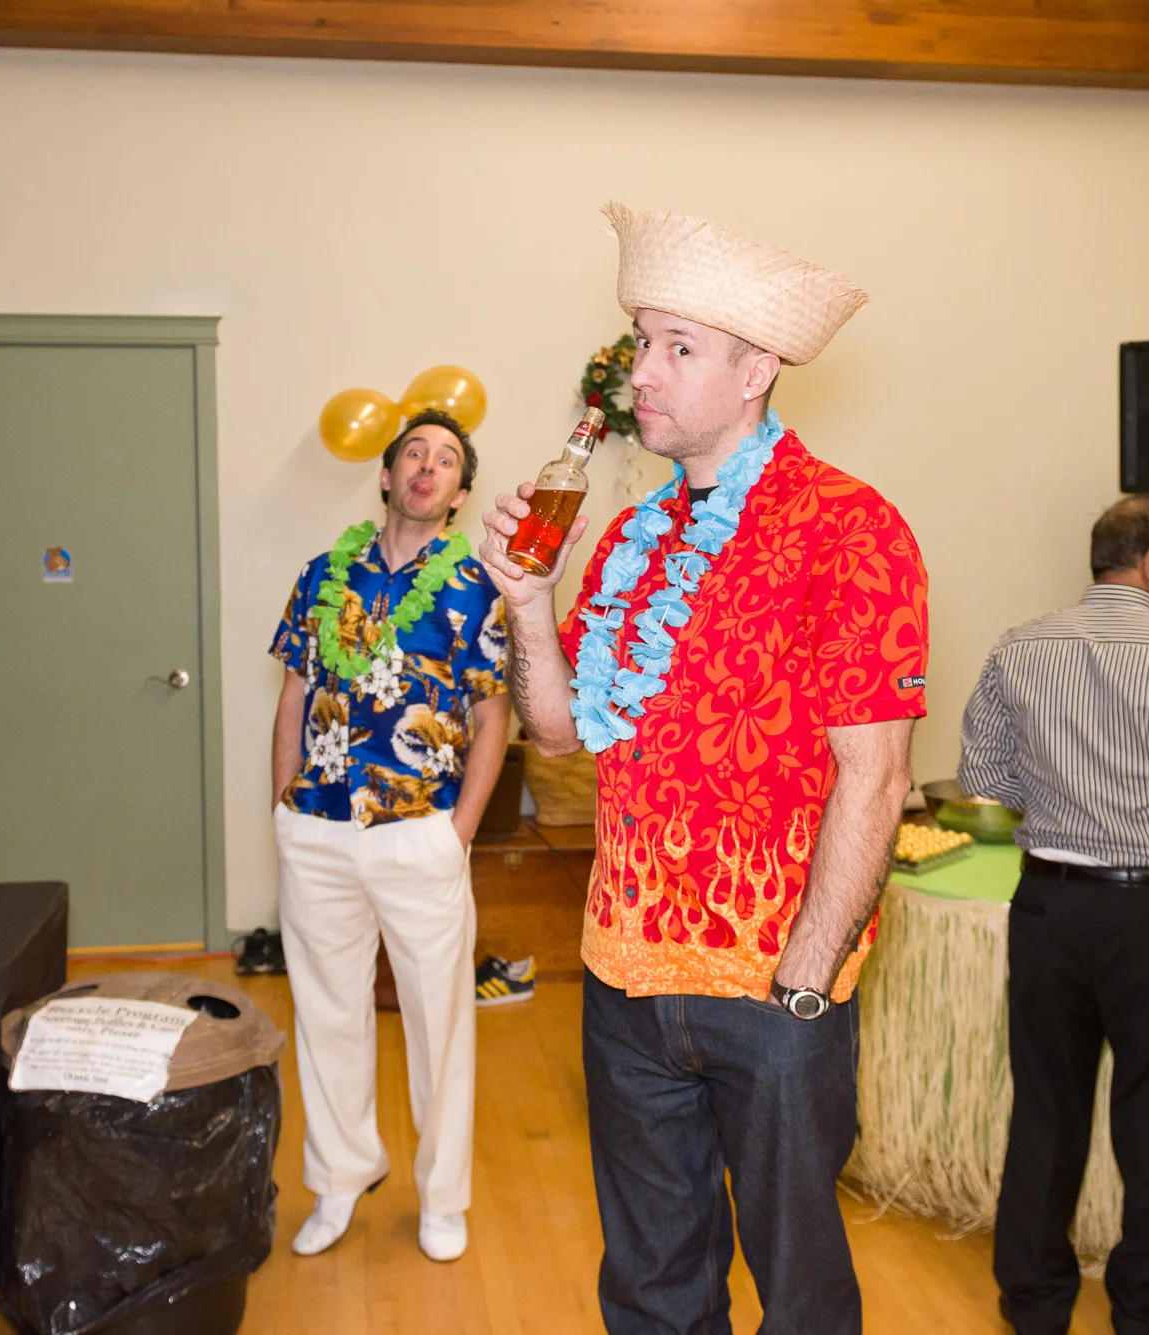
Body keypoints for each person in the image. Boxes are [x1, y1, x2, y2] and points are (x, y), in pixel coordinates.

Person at [475, 202, 929, 1334]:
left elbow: (874, 781)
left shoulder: (851, 529)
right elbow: (559, 732)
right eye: (642, 342)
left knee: (799, 1294)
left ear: (755, 372)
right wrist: (528, 604)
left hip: (772, 985)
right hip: (622, 976)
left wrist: (805, 986)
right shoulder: (636, 537)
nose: (643, 372)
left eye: (677, 347)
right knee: (650, 1287)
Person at [958, 493, 1149, 1335]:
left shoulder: (1020, 645)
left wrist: (1061, 801)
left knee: (1045, 1107)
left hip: (1050, 904)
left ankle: (1034, 1301)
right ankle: (1144, 1304)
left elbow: (983, 774)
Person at [268, 409, 512, 1261]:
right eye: (414, 452)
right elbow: (294, 694)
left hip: (420, 831)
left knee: (438, 1024)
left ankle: (442, 1197)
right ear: (386, 475)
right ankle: (340, 1176)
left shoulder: (473, 586)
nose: (426, 466)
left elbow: (493, 717)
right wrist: (283, 809)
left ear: (460, 492)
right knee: (325, 1013)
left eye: (446, 459)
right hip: (318, 827)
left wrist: (460, 831)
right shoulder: (321, 574)